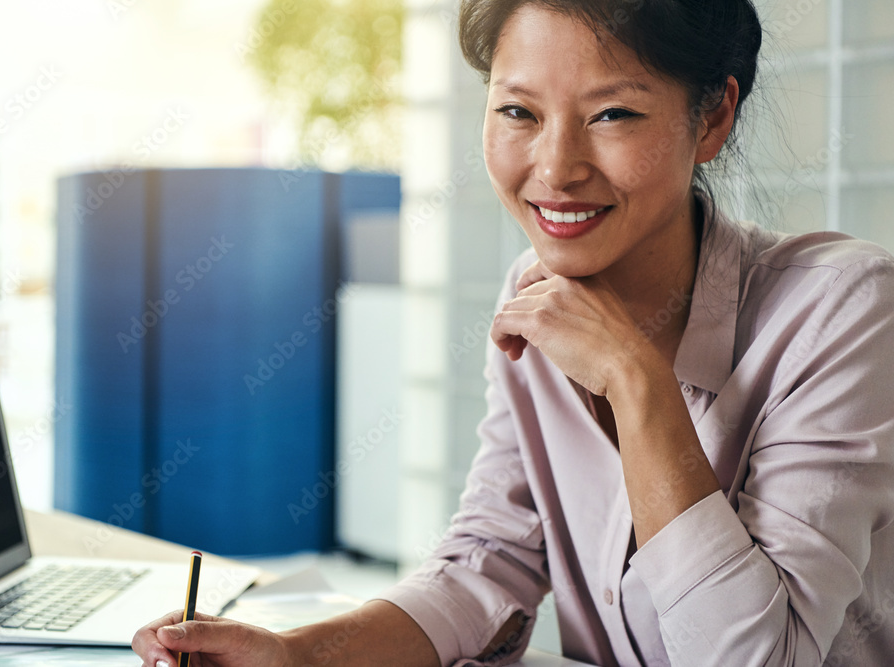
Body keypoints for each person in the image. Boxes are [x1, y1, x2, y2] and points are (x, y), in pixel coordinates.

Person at [133, 0, 894, 665]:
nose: (556, 168)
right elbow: (485, 565)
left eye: (612, 114)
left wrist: (636, 381)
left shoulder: (840, 308)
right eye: (519, 113)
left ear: (714, 117)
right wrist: (296, 656)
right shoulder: (535, 297)